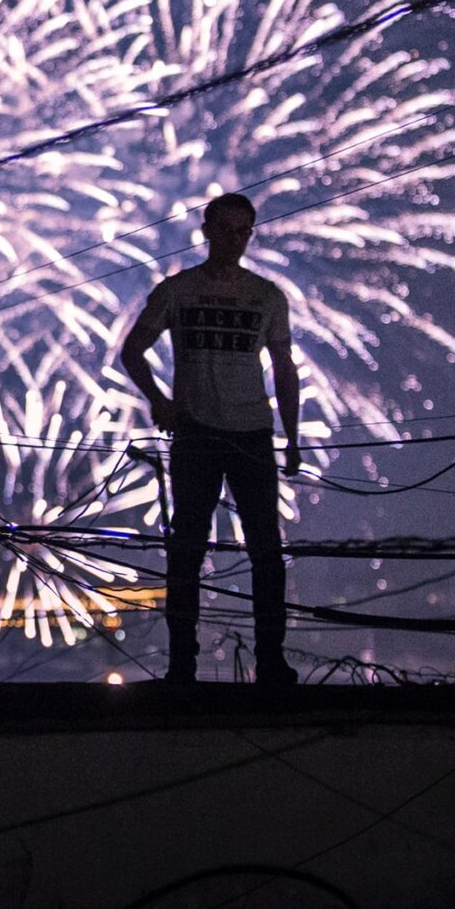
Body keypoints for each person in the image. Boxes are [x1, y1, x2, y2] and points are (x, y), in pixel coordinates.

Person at [118, 192, 303, 687]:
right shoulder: (178, 290)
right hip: (197, 430)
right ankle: (183, 665)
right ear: (207, 230)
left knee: (264, 549)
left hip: (252, 433)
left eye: (244, 231)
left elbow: (285, 371)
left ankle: (271, 661)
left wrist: (293, 436)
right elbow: (132, 351)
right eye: (227, 229)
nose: (235, 240)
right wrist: (159, 401)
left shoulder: (267, 296)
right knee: (188, 548)